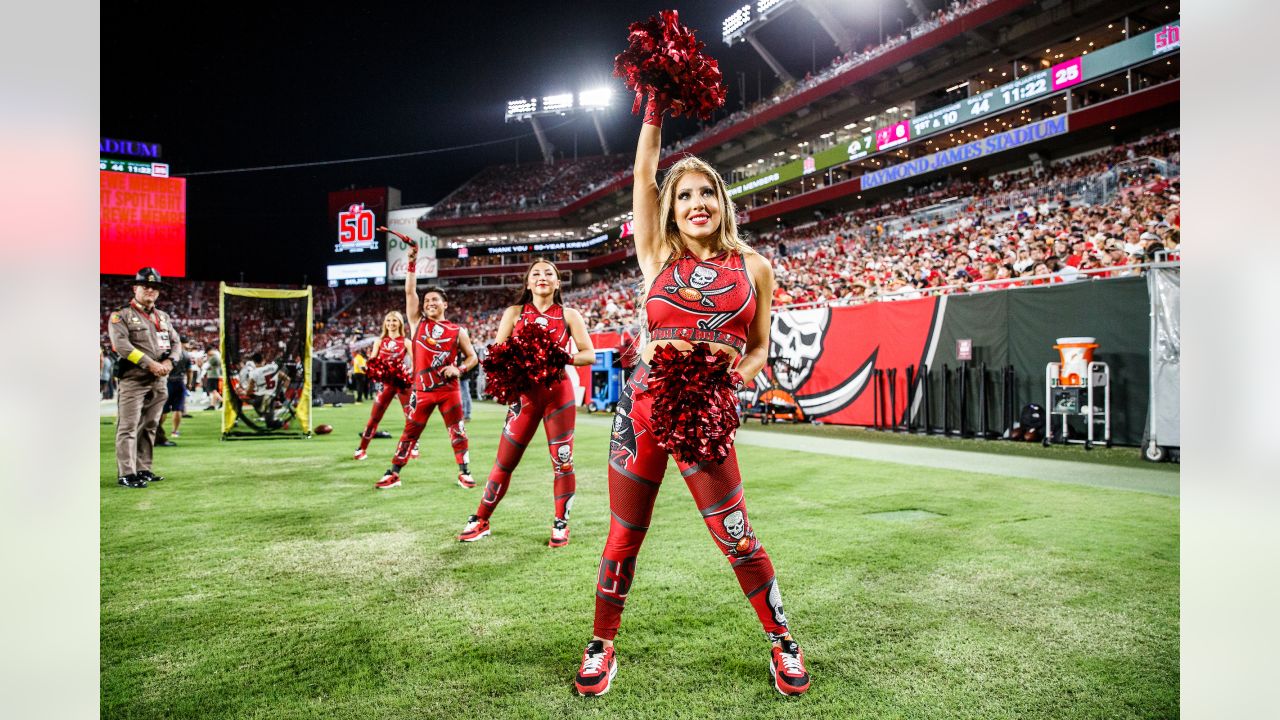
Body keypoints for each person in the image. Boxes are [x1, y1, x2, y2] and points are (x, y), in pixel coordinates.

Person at [573, 96, 810, 698]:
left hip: (705, 416)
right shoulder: (655, 257)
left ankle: (783, 641)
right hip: (644, 409)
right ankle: (602, 644)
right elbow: (642, 172)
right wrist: (653, 103)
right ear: (670, 210)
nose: (696, 204)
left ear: (722, 203)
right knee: (624, 536)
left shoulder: (754, 266)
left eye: (707, 193)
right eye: (684, 196)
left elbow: (758, 348)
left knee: (736, 535)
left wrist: (732, 376)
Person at [457, 259, 595, 547]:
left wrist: (562, 357)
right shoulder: (515, 313)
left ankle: (561, 524)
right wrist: (513, 361)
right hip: (525, 399)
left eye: (549, 274)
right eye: (536, 274)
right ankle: (481, 518)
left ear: (558, 283)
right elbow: (496, 353)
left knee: (563, 463)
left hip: (558, 396)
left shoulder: (570, 315)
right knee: (504, 463)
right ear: (528, 283)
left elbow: (588, 355)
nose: (542, 277)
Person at [376, 241, 478, 490]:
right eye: (427, 300)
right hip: (421, 391)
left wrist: (460, 369)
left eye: (435, 299)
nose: (430, 302)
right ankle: (394, 472)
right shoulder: (416, 322)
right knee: (410, 432)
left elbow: (473, 358)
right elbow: (410, 292)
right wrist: (412, 261)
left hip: (448, 390)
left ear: (445, 304)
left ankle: (464, 473)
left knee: (458, 431)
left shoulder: (458, 330)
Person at [108, 267, 183, 489]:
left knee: (150, 425)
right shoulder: (120, 315)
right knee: (128, 427)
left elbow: (176, 343)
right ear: (135, 288)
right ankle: (127, 473)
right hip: (134, 379)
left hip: (159, 379)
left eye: (155, 287)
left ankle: (143, 468)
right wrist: (150, 364)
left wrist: (170, 362)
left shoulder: (163, 317)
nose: (150, 290)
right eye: (146, 286)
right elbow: (122, 346)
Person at [354, 311, 414, 461]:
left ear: (400, 323)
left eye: (394, 321)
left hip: (402, 383)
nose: (391, 324)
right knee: (374, 417)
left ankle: (412, 447)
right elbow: (373, 361)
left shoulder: (406, 342)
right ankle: (361, 449)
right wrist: (376, 371)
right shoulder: (379, 342)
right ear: (385, 323)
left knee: (411, 417)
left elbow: (416, 363)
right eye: (388, 321)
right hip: (386, 383)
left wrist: (408, 371)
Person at [202, 344, 223, 411]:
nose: (207, 354)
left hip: (212, 375)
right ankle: (212, 405)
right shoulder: (217, 356)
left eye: (207, 352)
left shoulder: (214, 357)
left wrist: (207, 360)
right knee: (214, 390)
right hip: (215, 375)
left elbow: (205, 367)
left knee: (213, 390)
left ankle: (223, 401)